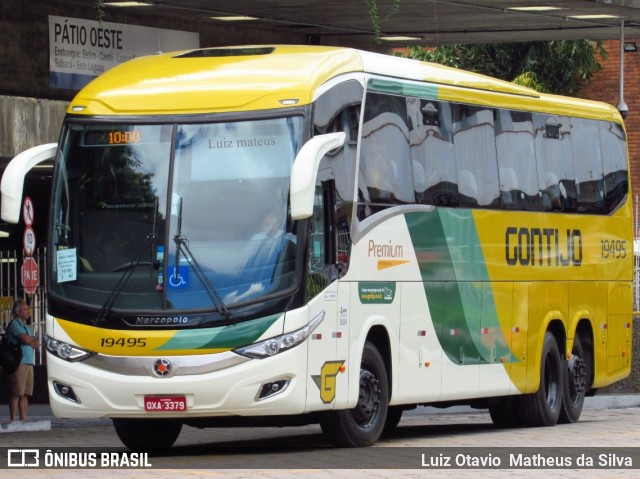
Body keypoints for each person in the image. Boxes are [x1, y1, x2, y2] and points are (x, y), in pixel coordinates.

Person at [7, 299, 39, 422]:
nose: (27, 312)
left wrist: (31, 340)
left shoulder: (27, 327)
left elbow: (36, 343)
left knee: (25, 393)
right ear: (18, 312)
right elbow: (26, 339)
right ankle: (13, 420)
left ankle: (23, 419)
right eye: (25, 309)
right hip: (18, 363)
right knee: (16, 392)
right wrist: (31, 340)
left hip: (29, 362)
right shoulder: (15, 324)